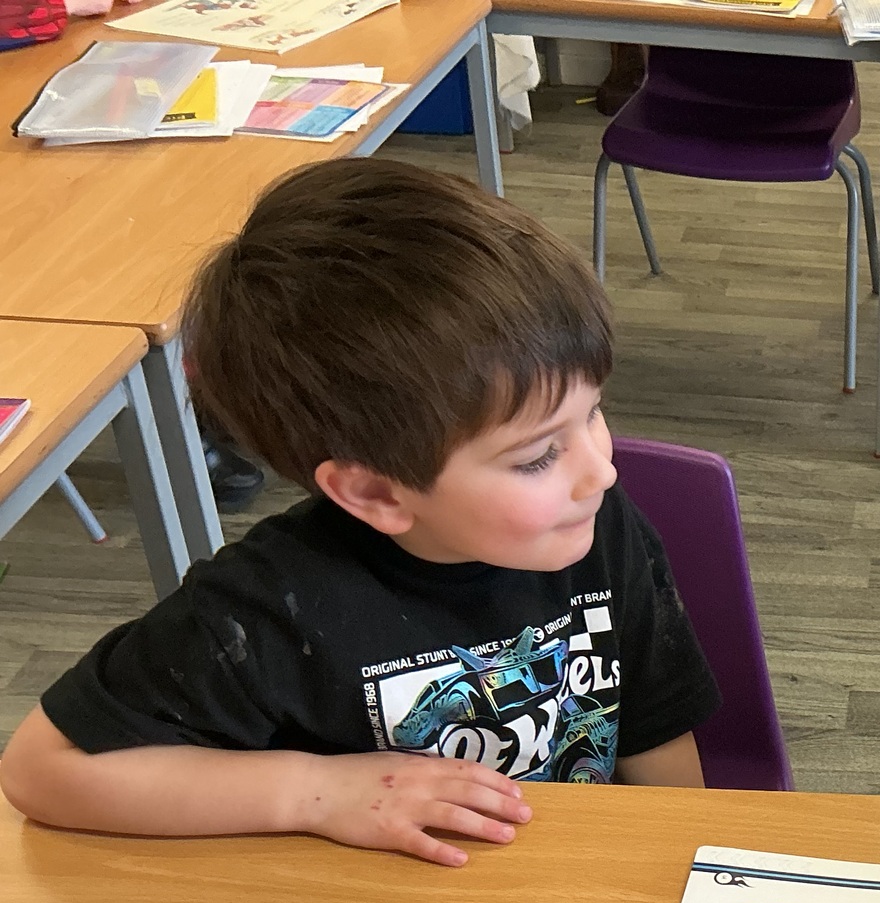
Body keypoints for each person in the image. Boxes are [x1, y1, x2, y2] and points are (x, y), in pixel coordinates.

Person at [0, 160, 722, 866]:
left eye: (593, 413)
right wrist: (313, 793)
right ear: (375, 494)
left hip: (571, 879)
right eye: (537, 457)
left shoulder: (598, 525)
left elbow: (652, 729)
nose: (602, 469)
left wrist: (685, 863)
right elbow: (41, 769)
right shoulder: (265, 608)